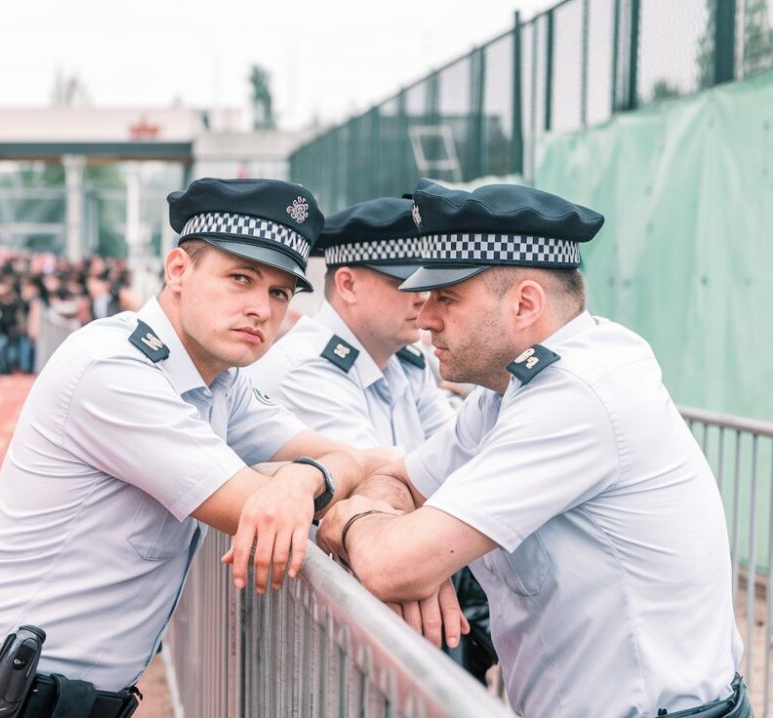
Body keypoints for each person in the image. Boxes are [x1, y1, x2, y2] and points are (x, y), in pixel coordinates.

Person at [0, 178, 457, 718]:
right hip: (1, 699)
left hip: (62, 695)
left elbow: (371, 457)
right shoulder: (115, 369)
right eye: (240, 278)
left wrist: (325, 481)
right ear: (178, 271)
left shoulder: (220, 383)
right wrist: (313, 480)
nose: (262, 308)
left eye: (279, 292)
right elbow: (254, 505)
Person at [318, 180, 745, 717]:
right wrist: (383, 514)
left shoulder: (577, 396)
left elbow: (392, 565)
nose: (425, 318)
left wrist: (352, 520)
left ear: (525, 304)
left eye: (446, 298)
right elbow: (404, 480)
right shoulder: (506, 393)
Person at [246, 196, 495, 681]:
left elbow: (455, 464)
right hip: (331, 626)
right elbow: (376, 475)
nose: (423, 299)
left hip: (378, 604)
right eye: (405, 281)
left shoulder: (408, 360)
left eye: (430, 282)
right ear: (347, 283)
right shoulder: (308, 366)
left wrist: (422, 545)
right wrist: (424, 556)